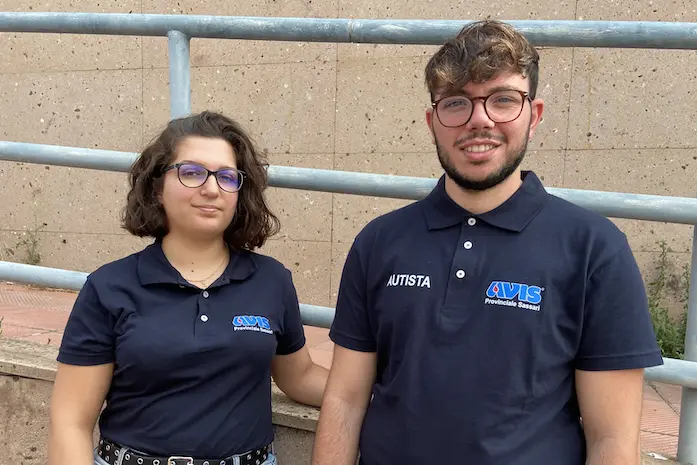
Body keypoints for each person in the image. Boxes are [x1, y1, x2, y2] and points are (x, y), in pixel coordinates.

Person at [311, 20, 663, 465]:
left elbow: (612, 440)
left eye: (503, 100)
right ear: (432, 122)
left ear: (534, 116)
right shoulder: (378, 242)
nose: (479, 119)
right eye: (456, 103)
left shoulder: (595, 249)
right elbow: (345, 401)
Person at [48, 110, 328, 465]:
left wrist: (381, 392)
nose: (211, 189)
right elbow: (70, 421)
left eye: (227, 176)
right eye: (192, 172)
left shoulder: (272, 281)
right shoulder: (109, 287)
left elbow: (300, 376)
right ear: (157, 188)